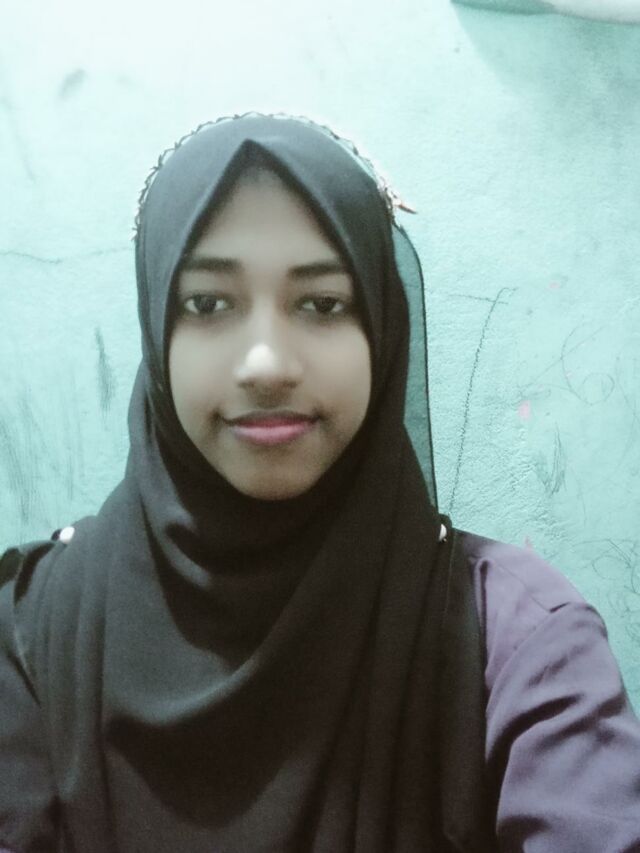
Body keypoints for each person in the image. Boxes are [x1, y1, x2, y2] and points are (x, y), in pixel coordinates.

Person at [0, 114, 638, 853]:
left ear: (382, 330)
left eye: (322, 303)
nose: (267, 364)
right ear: (157, 329)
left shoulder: (517, 641)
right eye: (207, 303)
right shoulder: (31, 634)